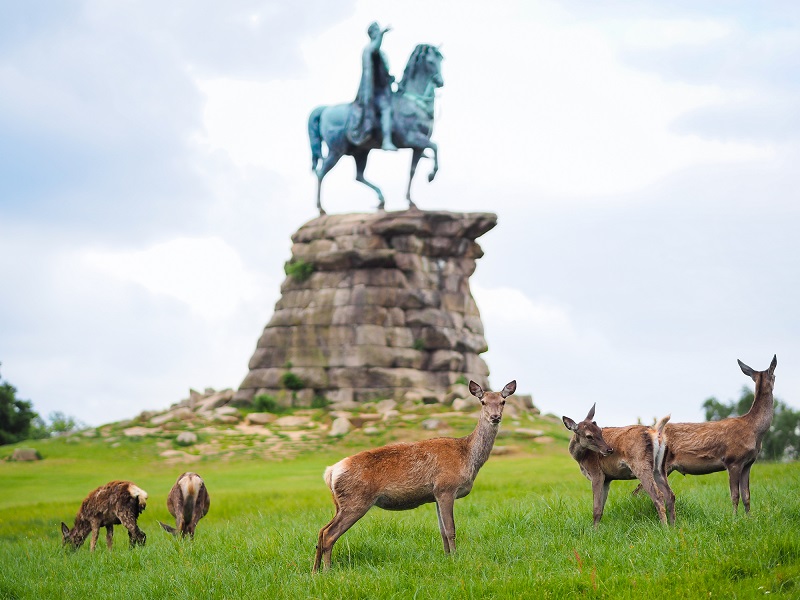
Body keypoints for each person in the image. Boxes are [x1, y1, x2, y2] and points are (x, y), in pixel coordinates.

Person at [347, 22, 397, 151]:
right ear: (372, 34)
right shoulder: (369, 49)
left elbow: (383, 74)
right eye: (376, 31)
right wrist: (382, 35)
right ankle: (387, 141)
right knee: (386, 109)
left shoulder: (379, 53)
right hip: (374, 94)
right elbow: (375, 47)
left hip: (384, 91)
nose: (378, 32)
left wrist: (390, 79)